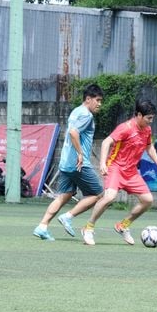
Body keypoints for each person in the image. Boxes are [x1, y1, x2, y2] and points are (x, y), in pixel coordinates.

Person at [81, 99, 157, 246]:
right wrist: (103, 163)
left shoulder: (147, 130)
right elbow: (106, 142)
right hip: (116, 168)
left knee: (148, 200)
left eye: (152, 118)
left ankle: (123, 225)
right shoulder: (125, 128)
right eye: (149, 118)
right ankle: (88, 228)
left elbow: (149, 148)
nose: (151, 121)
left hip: (131, 172)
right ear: (138, 115)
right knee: (109, 197)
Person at [33, 84, 105, 241]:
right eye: (97, 100)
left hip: (65, 162)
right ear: (88, 99)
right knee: (98, 194)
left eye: (101, 101)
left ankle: (42, 226)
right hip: (78, 164)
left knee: (64, 195)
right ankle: (68, 216)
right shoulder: (87, 115)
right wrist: (80, 154)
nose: (100, 104)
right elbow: (73, 133)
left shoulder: (76, 111)